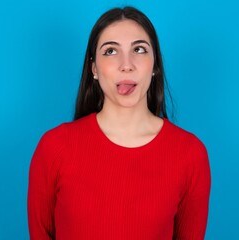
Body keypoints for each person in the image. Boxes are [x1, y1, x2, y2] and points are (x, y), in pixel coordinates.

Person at [27, 6, 211, 240]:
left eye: (139, 49)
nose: (127, 65)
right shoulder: (54, 147)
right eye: (111, 51)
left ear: (155, 65)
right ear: (94, 68)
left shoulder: (190, 154)